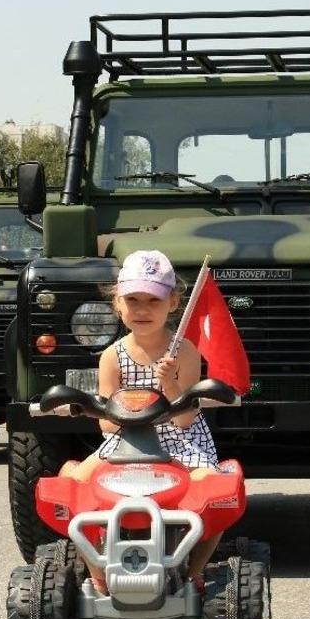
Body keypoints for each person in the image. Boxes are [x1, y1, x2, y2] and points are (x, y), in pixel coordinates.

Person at [58, 250, 220, 594]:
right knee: (72, 483)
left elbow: (187, 417)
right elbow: (106, 422)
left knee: (216, 490)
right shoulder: (111, 355)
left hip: (179, 441)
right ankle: (98, 572)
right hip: (125, 441)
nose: (143, 310)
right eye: (133, 300)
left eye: (153, 300)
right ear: (118, 303)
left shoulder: (186, 352)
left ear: (173, 302)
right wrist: (117, 416)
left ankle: (194, 571)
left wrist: (171, 384)